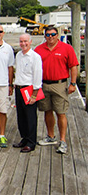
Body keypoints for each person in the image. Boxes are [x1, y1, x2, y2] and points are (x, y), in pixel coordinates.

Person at [35, 26, 79, 154]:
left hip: (60, 84)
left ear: (57, 35)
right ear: (45, 36)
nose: (50, 37)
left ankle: (63, 140)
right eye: (48, 35)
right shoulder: (39, 49)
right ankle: (50, 136)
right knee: (47, 111)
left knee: (61, 112)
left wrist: (73, 83)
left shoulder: (67, 48)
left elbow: (74, 67)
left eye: (53, 34)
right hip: (44, 84)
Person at [13, 33, 42, 153]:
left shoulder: (35, 57)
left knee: (30, 116)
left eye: (25, 41)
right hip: (18, 88)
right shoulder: (19, 55)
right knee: (21, 116)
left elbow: (37, 76)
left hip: (29, 89)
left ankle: (31, 142)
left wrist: (34, 95)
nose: (23, 44)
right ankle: (24, 138)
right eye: (21, 41)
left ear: (30, 42)